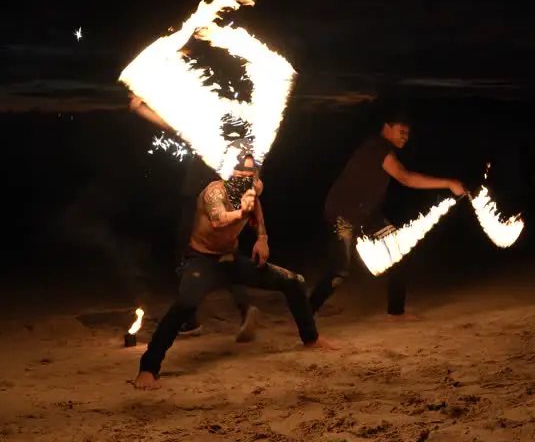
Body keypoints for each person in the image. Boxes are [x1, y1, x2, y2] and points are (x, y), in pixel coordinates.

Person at [133, 151, 338, 390]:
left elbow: (257, 205)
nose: (244, 175)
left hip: (230, 259)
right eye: (239, 170)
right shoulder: (214, 192)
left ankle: (310, 338)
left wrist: (262, 237)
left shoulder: (254, 187)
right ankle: (148, 368)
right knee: (185, 304)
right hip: (202, 260)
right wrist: (242, 212)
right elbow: (219, 220)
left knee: (293, 281)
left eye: (249, 171)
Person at [307, 110, 467, 321]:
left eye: (408, 134)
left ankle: (396, 312)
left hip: (366, 214)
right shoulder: (378, 148)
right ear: (387, 128)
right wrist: (448, 183)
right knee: (340, 269)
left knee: (399, 252)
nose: (404, 137)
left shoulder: (381, 148)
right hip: (343, 213)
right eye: (401, 131)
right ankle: (307, 311)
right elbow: (406, 178)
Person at [127, 95, 260, 341]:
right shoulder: (237, 139)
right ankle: (245, 307)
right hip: (224, 200)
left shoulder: (205, 132)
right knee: (225, 255)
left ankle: (190, 320)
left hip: (198, 198)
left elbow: (172, 127)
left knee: (188, 253)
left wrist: (139, 108)